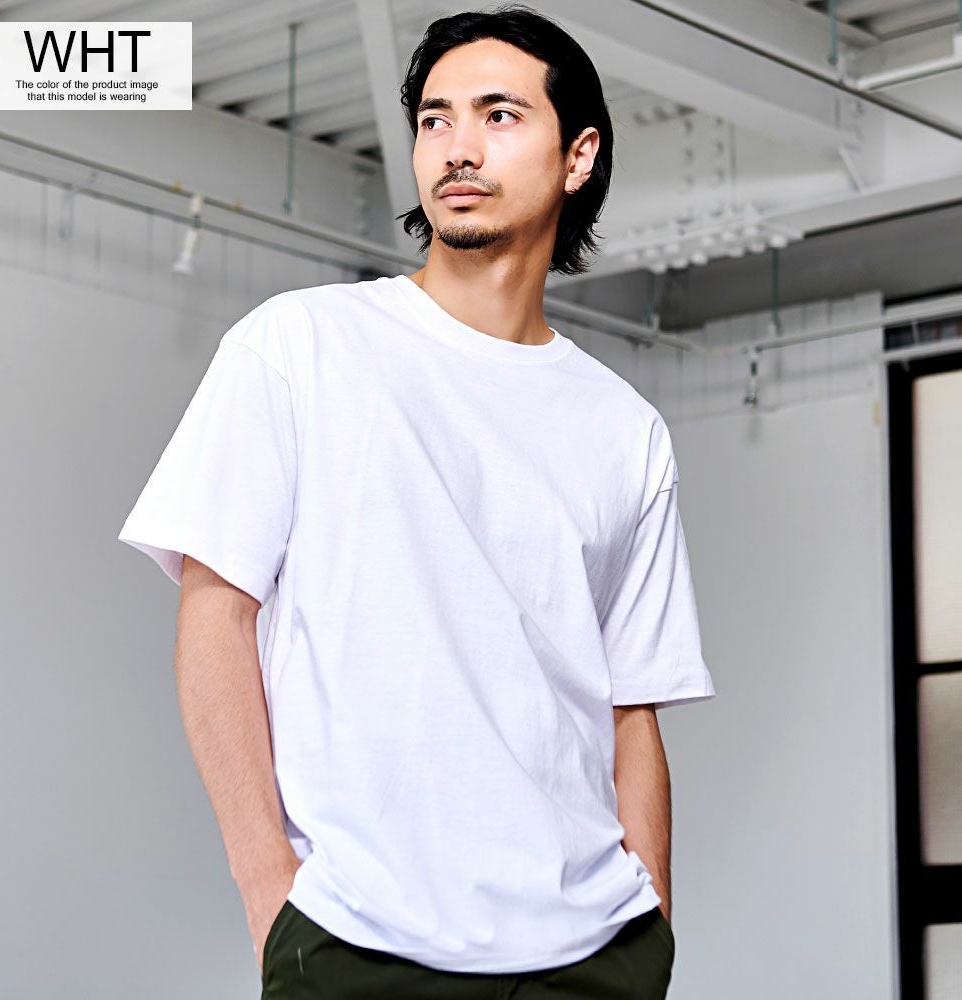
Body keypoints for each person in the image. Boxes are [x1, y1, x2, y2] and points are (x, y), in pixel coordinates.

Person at [117, 4, 715, 998]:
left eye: (497, 115)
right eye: (435, 119)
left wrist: (649, 923)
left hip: (593, 952)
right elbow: (215, 616)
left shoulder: (625, 428)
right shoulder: (299, 345)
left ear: (579, 156)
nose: (456, 147)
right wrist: (270, 891)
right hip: (357, 939)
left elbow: (630, 707)